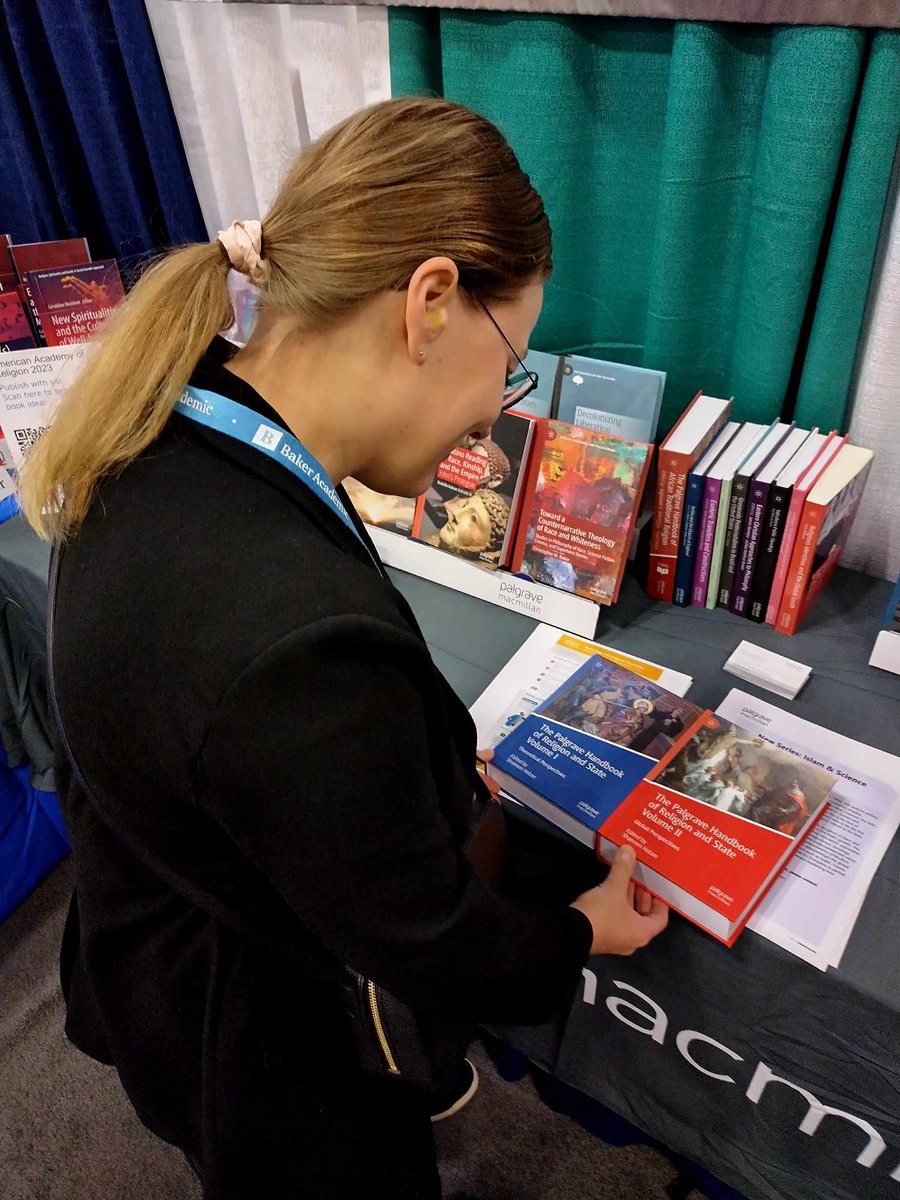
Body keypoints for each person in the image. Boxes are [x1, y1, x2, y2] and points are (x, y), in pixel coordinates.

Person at [20, 98, 668, 1200]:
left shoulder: (161, 423)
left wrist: (394, 768)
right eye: (509, 364)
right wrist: (577, 933)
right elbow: (429, 939)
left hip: (163, 935)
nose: (492, 417)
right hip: (271, 1051)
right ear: (430, 303)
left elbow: (220, 744)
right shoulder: (293, 643)